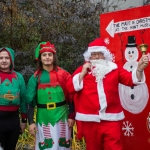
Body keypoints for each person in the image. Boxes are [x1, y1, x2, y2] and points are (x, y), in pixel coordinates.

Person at [66, 38, 149, 150]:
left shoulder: (114, 69)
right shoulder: (82, 70)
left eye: (99, 54)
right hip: (89, 120)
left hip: (111, 119)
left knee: (114, 147)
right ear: (89, 57)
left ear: (105, 55)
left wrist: (139, 69)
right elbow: (70, 88)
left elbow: (131, 80)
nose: (96, 57)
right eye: (93, 54)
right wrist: (82, 74)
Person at [26, 41, 75, 150]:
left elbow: (72, 96)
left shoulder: (64, 74)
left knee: (63, 146)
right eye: (44, 55)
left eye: (49, 55)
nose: (47, 57)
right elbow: (30, 101)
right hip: (43, 117)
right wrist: (31, 122)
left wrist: (71, 115)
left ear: (53, 56)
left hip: (62, 116)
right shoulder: (35, 77)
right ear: (40, 58)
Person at [0, 47, 27, 150]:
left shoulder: (18, 77)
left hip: (13, 120)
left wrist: (24, 120)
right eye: (1, 58)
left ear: (11, 59)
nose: (3, 60)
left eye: (7, 58)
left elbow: (23, 99)